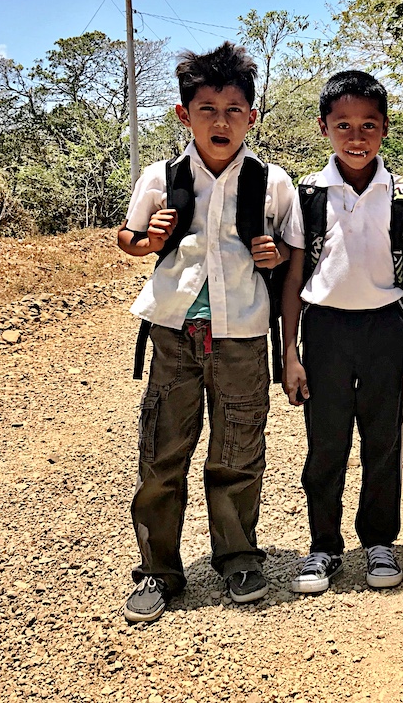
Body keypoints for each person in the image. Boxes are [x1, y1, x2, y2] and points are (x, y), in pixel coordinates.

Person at [116, 42, 300, 621]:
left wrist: (273, 257)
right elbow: (129, 237)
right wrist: (146, 240)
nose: (221, 122)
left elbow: (292, 251)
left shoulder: (273, 183)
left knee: (238, 449)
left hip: (243, 334)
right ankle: (159, 570)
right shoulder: (161, 176)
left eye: (233, 110)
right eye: (206, 109)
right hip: (173, 332)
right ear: (182, 115)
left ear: (252, 115)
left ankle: (237, 556)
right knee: (162, 453)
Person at [280, 70, 403, 594]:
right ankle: (323, 546)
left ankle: (379, 542)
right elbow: (295, 275)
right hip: (325, 331)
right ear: (324, 128)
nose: (356, 136)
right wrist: (290, 353)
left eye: (368, 124)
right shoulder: (310, 193)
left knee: (383, 440)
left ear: (385, 128)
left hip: (386, 329)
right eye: (343, 125)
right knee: (326, 442)